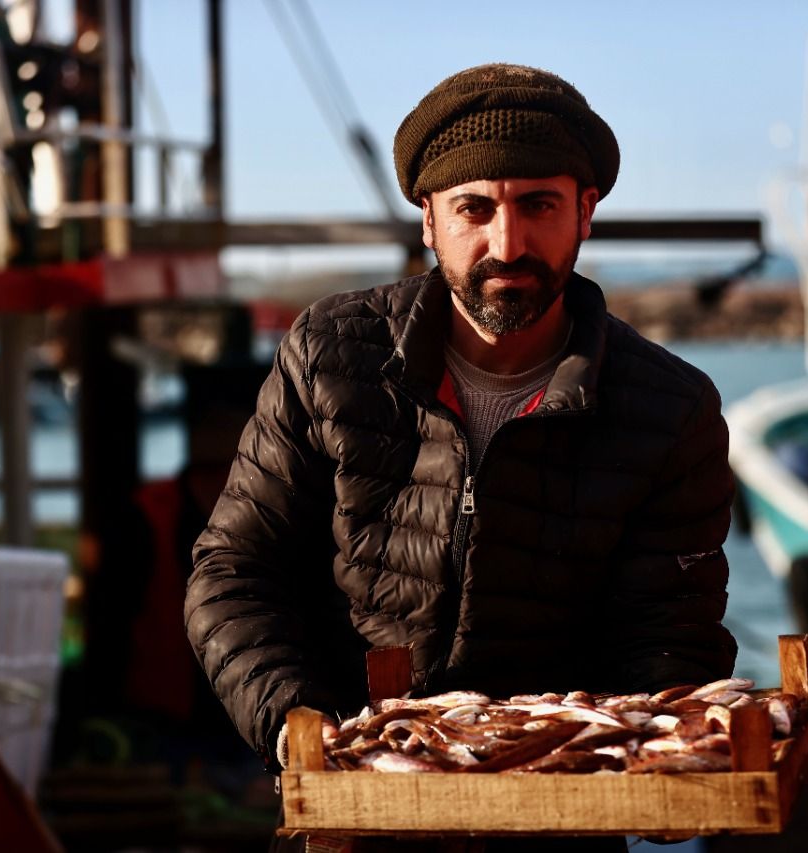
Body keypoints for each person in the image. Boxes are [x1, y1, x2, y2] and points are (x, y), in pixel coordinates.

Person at [185, 63, 737, 850]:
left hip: (557, 831)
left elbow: (669, 632)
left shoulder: (670, 409)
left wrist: (649, 753)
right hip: (353, 823)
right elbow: (233, 570)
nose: (507, 244)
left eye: (539, 205)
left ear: (585, 210)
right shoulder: (330, 356)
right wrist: (298, 725)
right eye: (474, 208)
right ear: (428, 219)